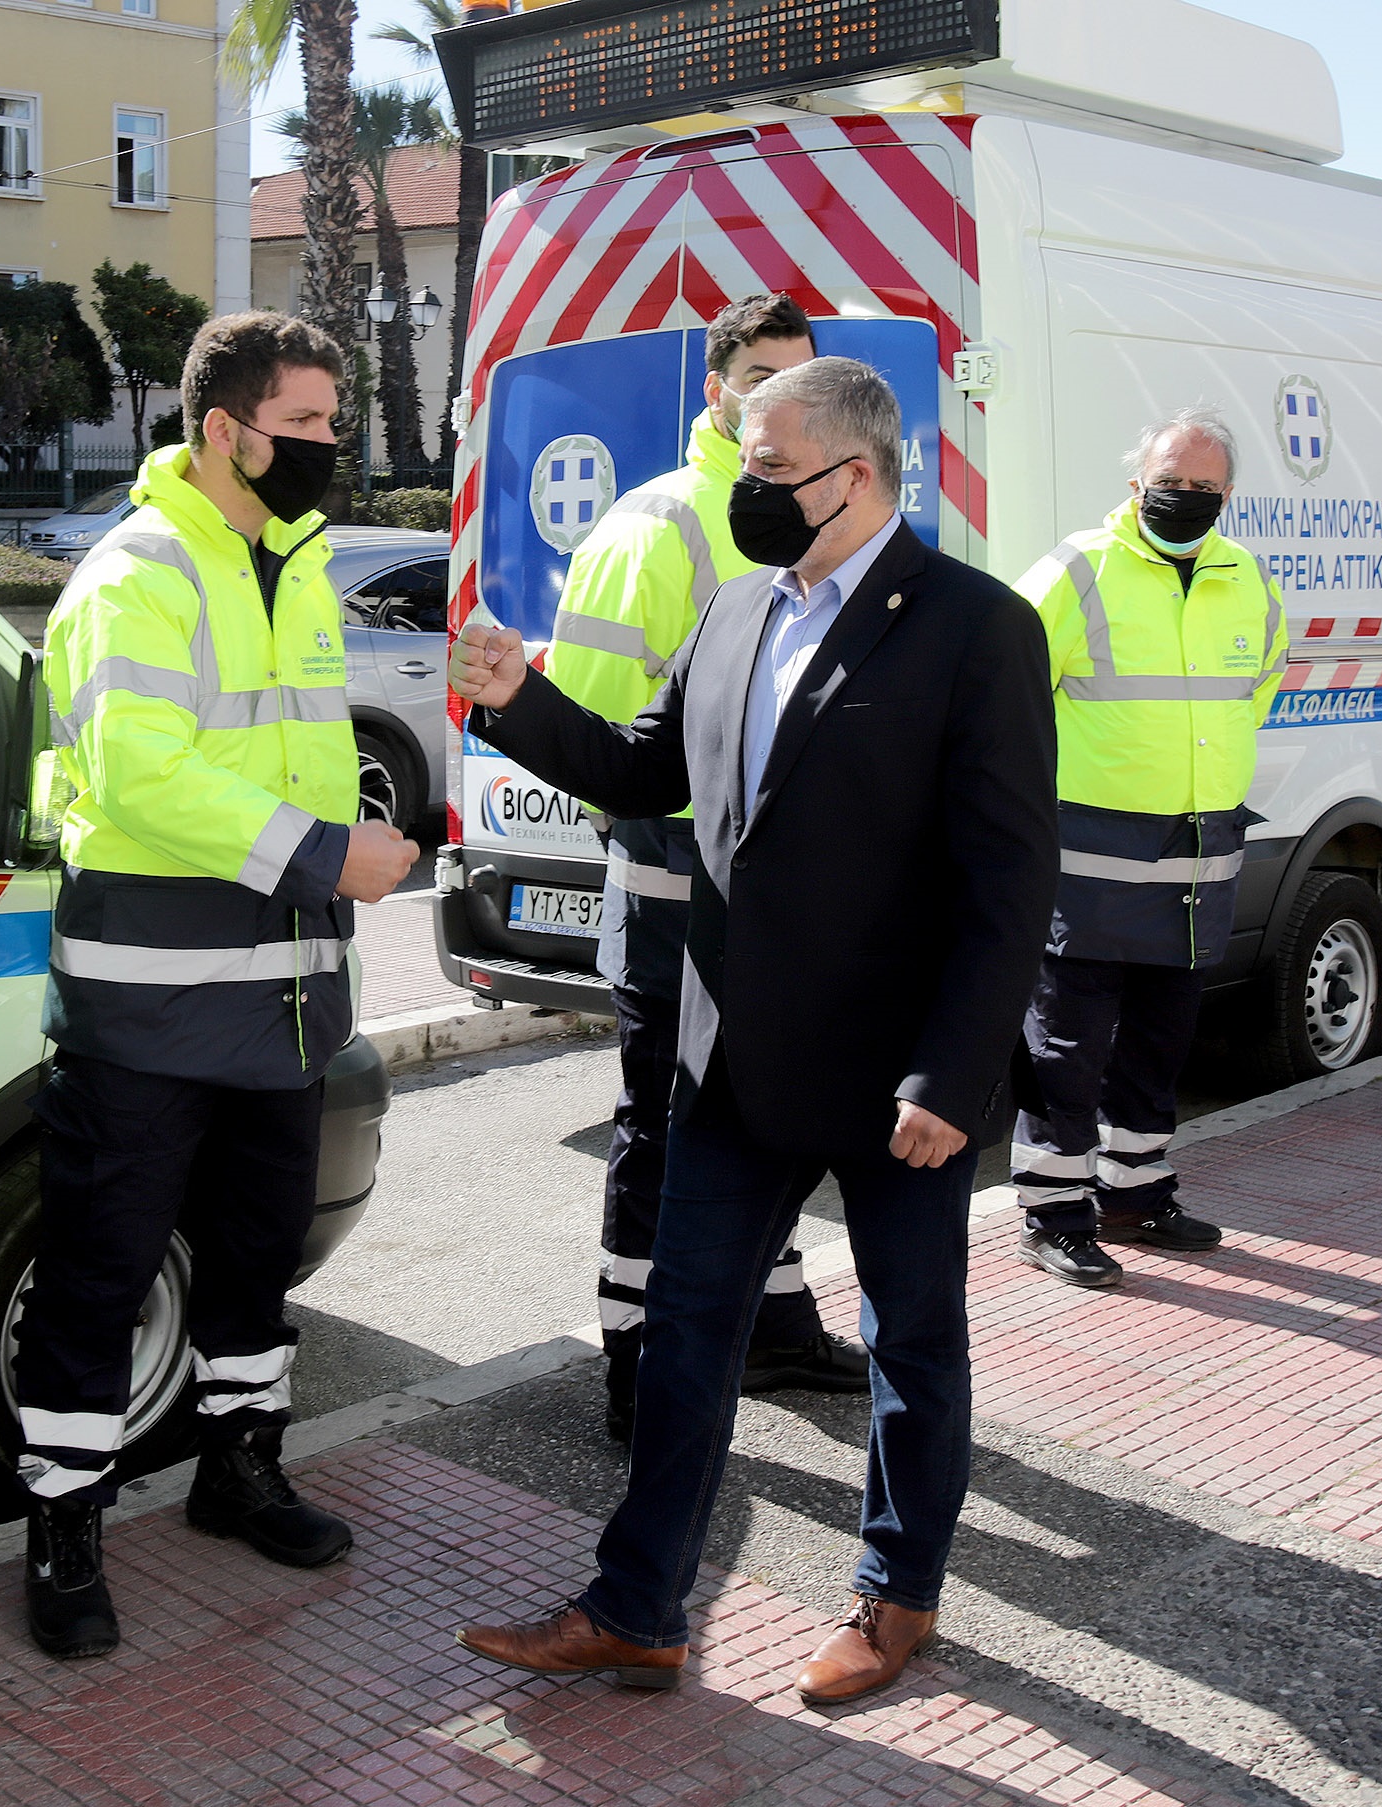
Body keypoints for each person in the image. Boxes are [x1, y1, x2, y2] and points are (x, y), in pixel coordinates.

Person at [447, 358, 1057, 1705]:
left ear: (856, 476)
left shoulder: (974, 626)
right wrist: (517, 698)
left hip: (896, 1074)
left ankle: (894, 1595)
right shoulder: (733, 610)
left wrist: (954, 1069)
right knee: (684, 1329)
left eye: (768, 470)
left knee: (911, 1343)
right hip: (730, 1057)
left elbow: (1008, 880)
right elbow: (641, 770)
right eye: (739, 464)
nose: (743, 491)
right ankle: (636, 1608)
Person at [14, 312, 418, 1660]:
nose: (326, 446)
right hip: (147, 1005)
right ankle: (63, 1521)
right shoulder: (136, 571)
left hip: (285, 999)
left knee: (253, 1260)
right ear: (221, 428)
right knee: (98, 1269)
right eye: (303, 424)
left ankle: (236, 1466)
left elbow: (291, 752)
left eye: (330, 421)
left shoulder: (289, 568)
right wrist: (325, 853)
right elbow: (141, 775)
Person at [544, 293, 864, 1442]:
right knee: (663, 1131)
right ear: (714, 392)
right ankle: (634, 1364)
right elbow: (590, 729)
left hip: (767, 903)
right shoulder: (661, 525)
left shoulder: (810, 514)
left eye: (803, 377)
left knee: (758, 1118)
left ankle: (772, 1329)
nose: (782, 397)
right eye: (762, 376)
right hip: (676, 891)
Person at [1009, 410, 1287, 1287]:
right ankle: (1053, 1212)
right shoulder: (1077, 568)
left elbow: (1258, 686)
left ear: (1227, 496)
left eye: (1204, 488)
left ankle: (1134, 1193)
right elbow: (1004, 686)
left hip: (1199, 859)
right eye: (1171, 481)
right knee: (1067, 1043)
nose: (1185, 497)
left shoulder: (1247, 577)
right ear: (1135, 484)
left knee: (1160, 1041)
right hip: (1090, 859)